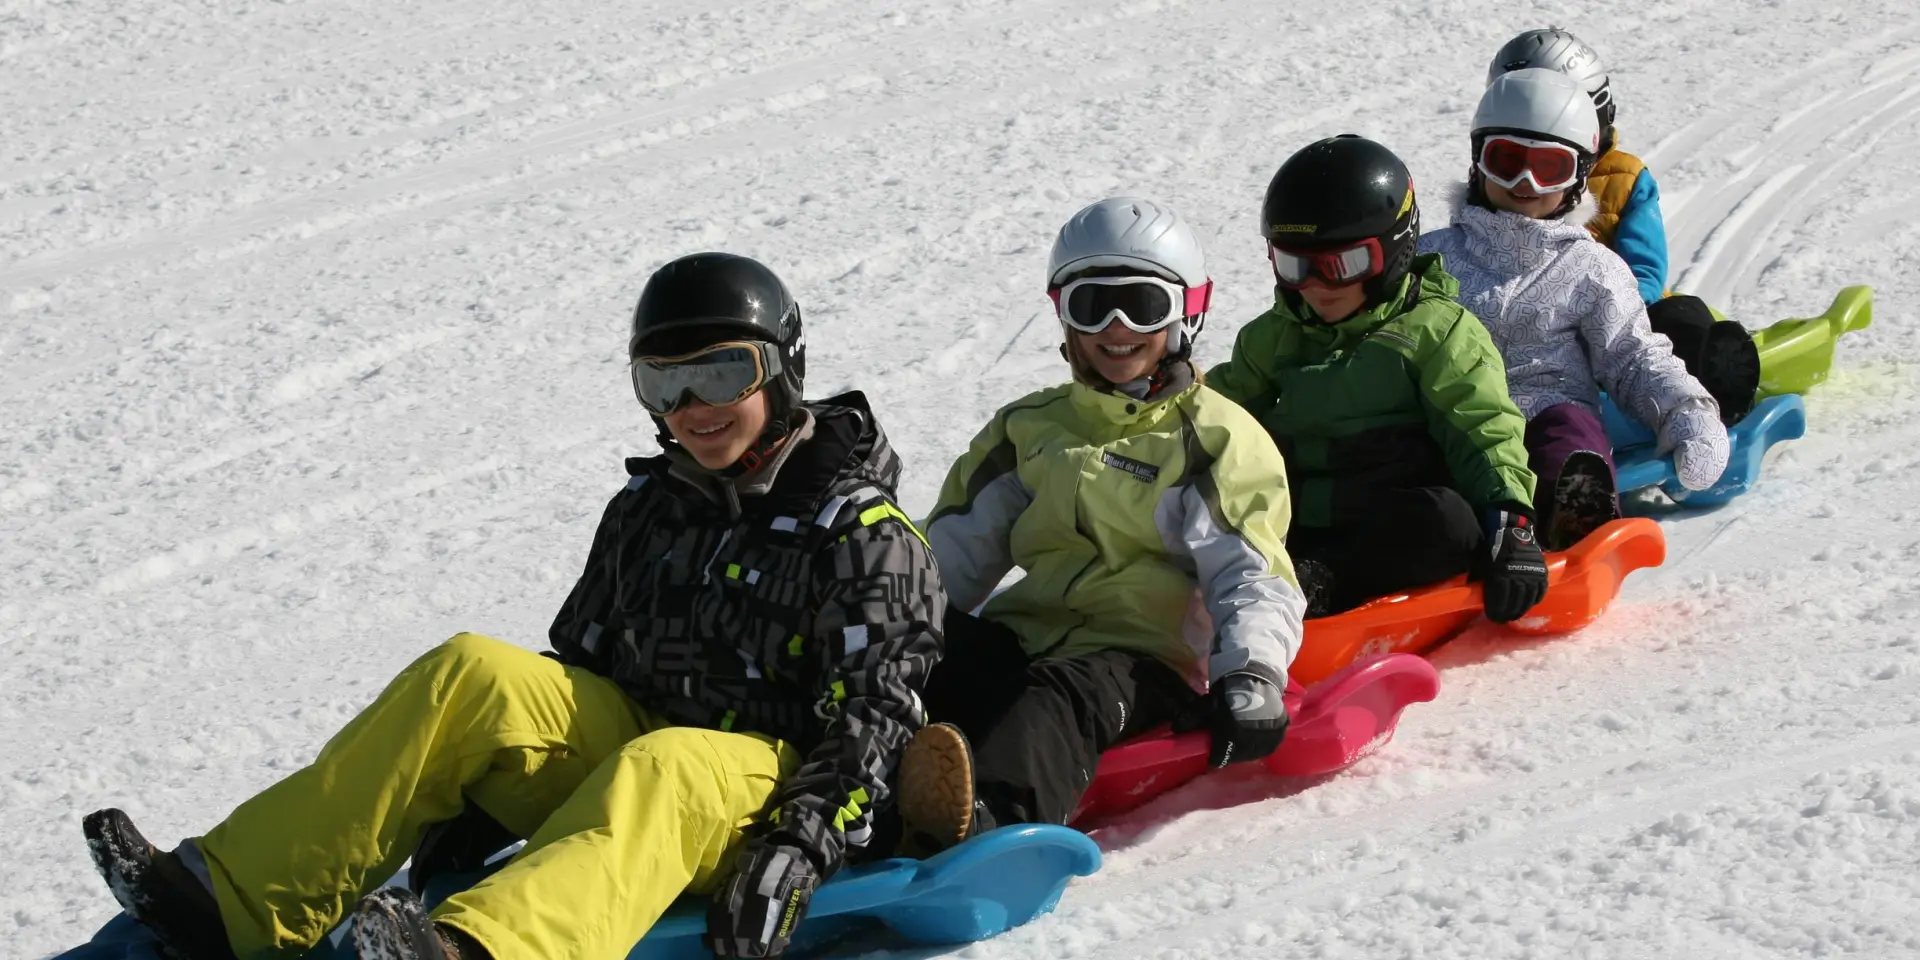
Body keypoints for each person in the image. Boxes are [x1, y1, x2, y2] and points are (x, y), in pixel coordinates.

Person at [78, 252, 948, 960]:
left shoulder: (862, 534)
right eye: (661, 382)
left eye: (722, 372)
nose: (691, 408)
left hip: (771, 791)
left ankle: (481, 952)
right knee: (475, 673)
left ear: (783, 367)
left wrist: (795, 851)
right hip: (644, 756)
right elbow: (578, 675)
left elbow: (876, 719)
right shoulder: (649, 510)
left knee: (671, 762)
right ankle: (233, 904)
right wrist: (475, 796)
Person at [891, 197, 1304, 851]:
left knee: (1056, 699)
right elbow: (950, 554)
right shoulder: (1029, 428)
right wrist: (888, 640)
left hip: (1144, 662)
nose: (1117, 326)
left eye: (1142, 305)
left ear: (1186, 309)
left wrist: (1250, 672)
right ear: (1062, 313)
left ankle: (988, 822)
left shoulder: (1215, 437)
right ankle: (855, 790)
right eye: (1093, 306)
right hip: (1027, 638)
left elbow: (1250, 571)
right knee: (921, 657)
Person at [1207, 135, 1549, 621]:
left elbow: (1483, 428)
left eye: (1342, 266)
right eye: (1294, 265)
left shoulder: (1438, 331)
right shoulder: (1272, 337)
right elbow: (1218, 420)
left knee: (1448, 524)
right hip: (1298, 512)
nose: (1316, 286)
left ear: (1395, 250)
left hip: (1388, 513)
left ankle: (1323, 581)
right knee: (1216, 507)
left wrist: (1511, 523)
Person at [1418, 69, 1732, 549]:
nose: (1525, 182)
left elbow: (1634, 357)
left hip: (1548, 409)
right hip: (1454, 420)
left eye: (1549, 168)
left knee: (1570, 433)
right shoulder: (1431, 258)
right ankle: (1419, 536)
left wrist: (1687, 412)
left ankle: (1578, 515)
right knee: (1416, 451)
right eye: (1506, 160)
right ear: (1478, 162)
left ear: (1579, 177)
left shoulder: (1592, 268)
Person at [1488, 26, 1759, 422]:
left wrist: (1609, 312)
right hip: (1540, 322)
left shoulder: (1624, 178)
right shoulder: (1501, 182)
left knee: (1680, 315)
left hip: (1626, 311)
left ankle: (1715, 386)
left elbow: (1646, 268)